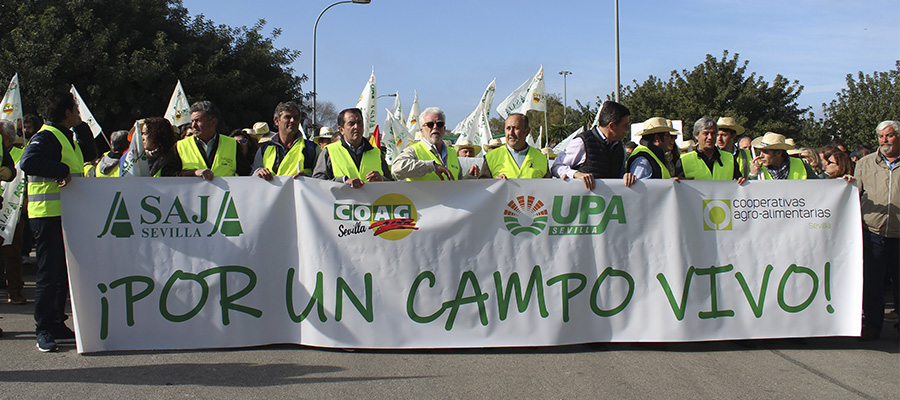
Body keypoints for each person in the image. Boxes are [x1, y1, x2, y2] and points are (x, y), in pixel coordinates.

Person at [20, 91, 98, 352]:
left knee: (62, 273)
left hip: (66, 214)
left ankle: (56, 323)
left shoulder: (66, 136)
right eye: (76, 109)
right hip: (48, 215)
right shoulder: (46, 136)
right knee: (48, 274)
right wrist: (61, 170)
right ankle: (43, 328)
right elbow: (28, 162)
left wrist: (82, 127)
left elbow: (90, 153)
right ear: (67, 112)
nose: (78, 112)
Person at [856, 120, 900, 341]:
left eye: (889, 136)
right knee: (872, 282)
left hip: (899, 234)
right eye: (881, 136)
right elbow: (855, 193)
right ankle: (872, 324)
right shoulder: (865, 163)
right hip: (873, 231)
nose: (884, 141)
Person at [551, 101, 636, 190]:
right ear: (612, 126)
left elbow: (619, 176)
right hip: (583, 203)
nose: (627, 128)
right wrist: (576, 174)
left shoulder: (620, 148)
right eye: (625, 125)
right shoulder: (582, 142)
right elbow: (557, 167)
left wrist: (626, 177)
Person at [161, 101, 250, 179]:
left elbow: (246, 174)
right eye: (192, 121)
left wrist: (257, 173)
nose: (193, 125)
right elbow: (167, 174)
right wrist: (194, 173)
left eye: (198, 121)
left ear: (213, 122)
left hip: (223, 197)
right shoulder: (180, 146)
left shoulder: (232, 144)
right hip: (191, 197)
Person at [313, 108, 392, 188]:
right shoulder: (329, 152)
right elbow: (317, 183)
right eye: (351, 124)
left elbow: (392, 184)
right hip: (341, 200)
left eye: (359, 123)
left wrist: (381, 180)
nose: (356, 127)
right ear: (341, 130)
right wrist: (343, 181)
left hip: (372, 200)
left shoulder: (376, 153)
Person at [391, 107, 476, 180]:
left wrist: (469, 176)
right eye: (430, 124)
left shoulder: (452, 152)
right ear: (422, 131)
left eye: (440, 124)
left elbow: (456, 182)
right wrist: (431, 167)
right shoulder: (413, 150)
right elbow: (396, 169)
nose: (435, 127)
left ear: (444, 129)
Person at [253, 102, 318, 181]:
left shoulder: (312, 149)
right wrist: (257, 173)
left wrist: (308, 179)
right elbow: (252, 180)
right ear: (276, 121)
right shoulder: (264, 149)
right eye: (288, 117)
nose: (292, 120)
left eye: (296, 117)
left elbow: (322, 180)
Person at [479, 113, 549, 179]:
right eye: (508, 128)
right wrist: (494, 183)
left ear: (527, 131)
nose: (511, 133)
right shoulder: (490, 157)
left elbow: (548, 188)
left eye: (516, 128)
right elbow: (482, 187)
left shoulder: (542, 158)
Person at [677, 117, 745, 183]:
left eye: (713, 133)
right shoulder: (684, 160)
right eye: (706, 133)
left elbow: (738, 182)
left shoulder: (730, 158)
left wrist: (741, 181)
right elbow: (674, 186)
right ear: (696, 135)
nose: (710, 137)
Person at [0, 120, 24, 304]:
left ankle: (15, 291)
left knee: (12, 252)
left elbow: (14, 172)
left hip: (12, 209)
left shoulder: (21, 153)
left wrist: (8, 172)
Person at [748, 132, 817, 180]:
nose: (761, 155)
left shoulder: (802, 164)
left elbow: (819, 185)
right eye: (761, 151)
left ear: (779, 153)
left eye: (765, 152)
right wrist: (753, 175)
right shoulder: (758, 168)